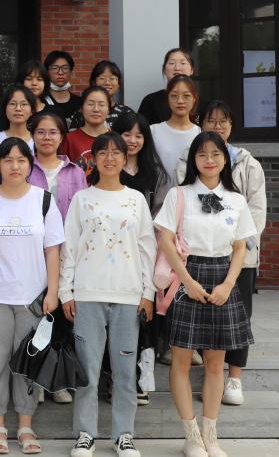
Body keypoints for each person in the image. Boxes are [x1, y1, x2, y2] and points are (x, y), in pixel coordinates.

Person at [155, 132, 256, 457]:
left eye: (215, 154)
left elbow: (240, 248)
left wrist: (228, 284)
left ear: (225, 159)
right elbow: (166, 241)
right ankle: (191, 436)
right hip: (187, 276)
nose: (209, 160)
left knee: (215, 363)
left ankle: (211, 436)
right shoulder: (179, 194)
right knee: (182, 361)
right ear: (193, 160)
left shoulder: (236, 200)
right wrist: (187, 281)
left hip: (223, 278)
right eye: (202, 154)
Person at [0, 137, 64, 456]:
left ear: (30, 165)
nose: (15, 166)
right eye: (8, 160)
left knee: (28, 362)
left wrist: (53, 292)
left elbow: (53, 250)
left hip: (33, 298)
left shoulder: (44, 200)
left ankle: (25, 425)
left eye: (21, 160)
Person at [60, 132, 155, 457]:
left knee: (125, 371)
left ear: (125, 158)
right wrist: (66, 291)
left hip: (128, 295)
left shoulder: (136, 199)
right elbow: (69, 247)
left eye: (117, 152)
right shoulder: (82, 199)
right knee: (87, 370)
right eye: (103, 152)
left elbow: (147, 248)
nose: (110, 158)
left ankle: (123, 434)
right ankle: (85, 434)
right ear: (94, 158)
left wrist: (148, 292)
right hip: (88, 294)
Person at [177, 101, 266, 407]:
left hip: (239, 255)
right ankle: (211, 375)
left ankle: (234, 378)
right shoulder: (187, 160)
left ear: (231, 126)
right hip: (200, 257)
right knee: (206, 316)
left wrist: (237, 245)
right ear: (200, 124)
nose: (217, 126)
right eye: (211, 121)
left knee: (238, 317)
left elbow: (257, 209)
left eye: (223, 121)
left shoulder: (247, 163)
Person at [112, 111, 173, 405]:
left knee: (143, 316)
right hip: (113, 254)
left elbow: (162, 215)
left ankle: (141, 378)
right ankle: (113, 377)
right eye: (127, 134)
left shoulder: (156, 173)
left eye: (139, 135)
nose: (133, 140)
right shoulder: (109, 168)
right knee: (116, 316)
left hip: (146, 254)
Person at [27, 112, 88, 224]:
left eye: (53, 132)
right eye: (40, 132)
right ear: (32, 136)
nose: (47, 137)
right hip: (31, 234)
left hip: (68, 234)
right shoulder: (25, 170)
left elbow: (84, 211)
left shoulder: (76, 173)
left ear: (61, 138)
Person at [137, 49, 208, 126]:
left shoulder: (203, 104)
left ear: (192, 70)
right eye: (172, 63)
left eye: (183, 63)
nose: (177, 68)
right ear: (164, 70)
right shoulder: (150, 101)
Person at [150, 76, 202, 179]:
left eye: (186, 96)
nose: (180, 101)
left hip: (191, 189)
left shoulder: (200, 133)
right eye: (174, 96)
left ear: (194, 99)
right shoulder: (153, 131)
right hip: (159, 190)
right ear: (167, 99)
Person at [69, 61, 134, 130]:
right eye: (102, 78)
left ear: (118, 84)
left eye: (112, 78)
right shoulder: (83, 113)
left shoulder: (126, 113)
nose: (107, 82)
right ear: (94, 82)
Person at [61, 86, 112, 175]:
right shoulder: (69, 139)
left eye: (101, 104)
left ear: (108, 110)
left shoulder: (116, 140)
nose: (96, 109)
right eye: (90, 104)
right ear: (81, 108)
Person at [0, 86, 36, 158]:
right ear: (5, 109)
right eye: (12, 104)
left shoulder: (38, 140)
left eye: (24, 104)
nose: (18, 108)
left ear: (32, 111)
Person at [44, 50, 83, 122]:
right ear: (47, 71)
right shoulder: (41, 102)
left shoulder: (80, 103)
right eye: (55, 68)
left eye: (65, 68)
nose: (60, 72)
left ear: (71, 71)